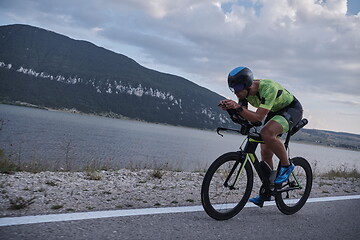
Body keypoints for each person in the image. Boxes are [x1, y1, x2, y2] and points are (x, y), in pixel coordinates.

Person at [219, 66, 303, 207]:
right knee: (265, 153)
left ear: (247, 84)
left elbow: (258, 117)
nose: (236, 92)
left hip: (291, 109)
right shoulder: (243, 93)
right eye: (233, 89)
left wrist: (237, 108)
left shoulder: (268, 88)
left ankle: (287, 166)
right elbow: (245, 116)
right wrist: (231, 109)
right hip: (274, 111)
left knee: (266, 133)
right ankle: (269, 190)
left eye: (238, 87)